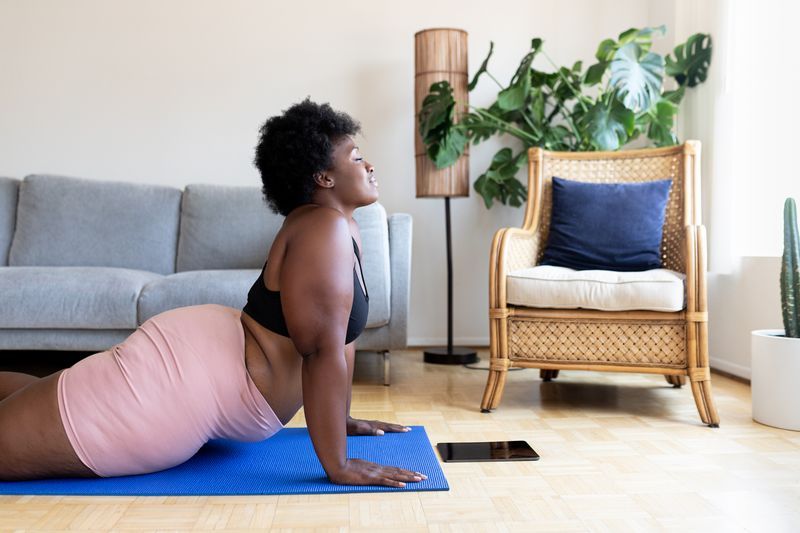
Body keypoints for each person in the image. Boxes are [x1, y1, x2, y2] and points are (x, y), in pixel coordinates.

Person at [0, 99, 426, 488]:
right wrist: (339, 464)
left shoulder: (342, 227)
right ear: (323, 176)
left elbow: (340, 340)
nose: (369, 165)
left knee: (48, 396)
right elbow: (319, 351)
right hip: (175, 384)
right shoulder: (323, 228)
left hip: (192, 364)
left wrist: (341, 418)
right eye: (357, 157)